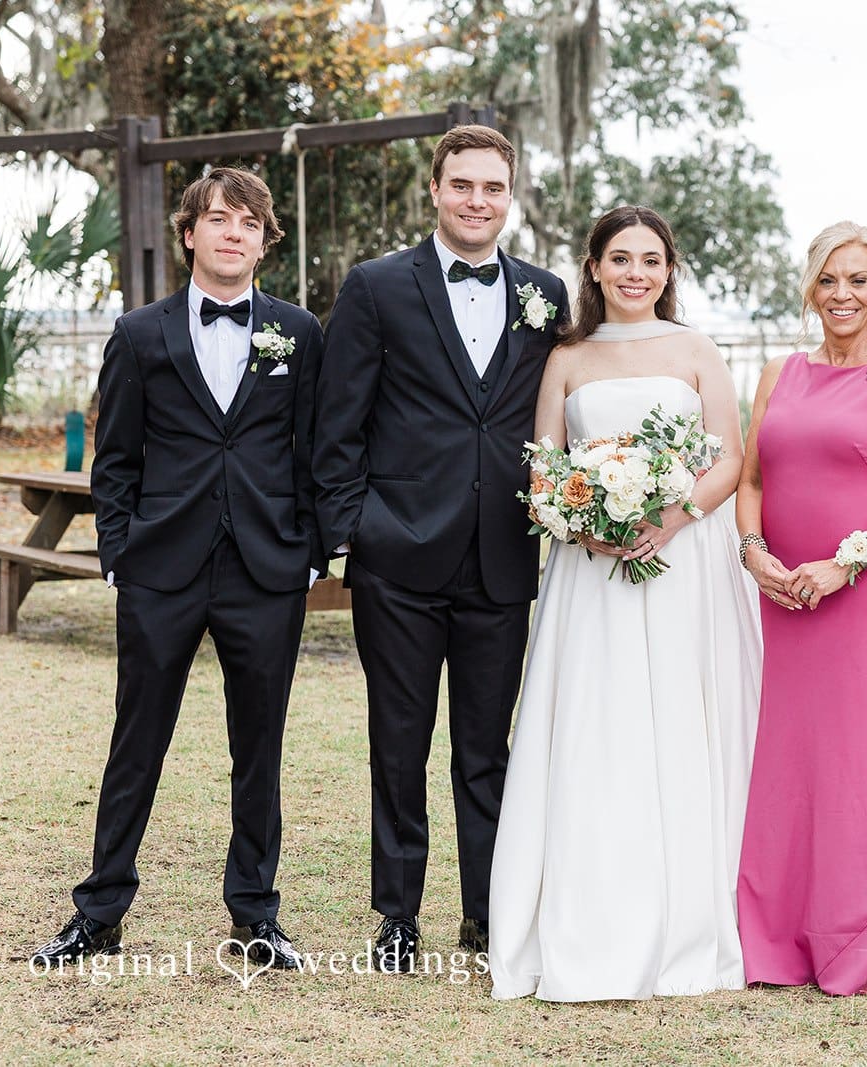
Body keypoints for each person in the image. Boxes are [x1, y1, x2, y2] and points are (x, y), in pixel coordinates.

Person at [31, 167, 324, 970]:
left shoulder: (299, 333)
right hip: (161, 568)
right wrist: (120, 554)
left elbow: (312, 453)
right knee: (137, 740)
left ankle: (256, 915)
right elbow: (115, 458)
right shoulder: (139, 334)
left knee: (259, 745)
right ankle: (99, 913)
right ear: (189, 234)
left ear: (266, 241)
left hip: (266, 570)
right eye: (218, 219)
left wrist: (306, 550)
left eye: (249, 222)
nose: (234, 233)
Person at [486, 206, 760, 1001]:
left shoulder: (698, 349)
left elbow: (730, 456)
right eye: (620, 259)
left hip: (685, 565)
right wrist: (582, 516)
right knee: (597, 724)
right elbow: (542, 468)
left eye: (651, 259)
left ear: (669, 270)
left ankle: (687, 914)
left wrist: (670, 517)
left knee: (680, 719)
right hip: (591, 574)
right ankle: (592, 909)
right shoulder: (566, 357)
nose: (636, 272)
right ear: (595, 268)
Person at [312, 124, 569, 971]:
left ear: (511, 195)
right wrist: (351, 537)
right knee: (399, 741)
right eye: (462, 184)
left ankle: (487, 913)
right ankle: (397, 915)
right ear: (434, 189)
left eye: (493, 188)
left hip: (501, 558)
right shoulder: (378, 287)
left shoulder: (546, 294)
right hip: (398, 557)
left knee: (487, 750)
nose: (477, 201)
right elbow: (338, 424)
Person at [734, 221, 867, 996]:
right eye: (830, 279)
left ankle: (860, 934)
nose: (843, 294)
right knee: (787, 762)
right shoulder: (777, 374)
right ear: (810, 288)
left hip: (864, 598)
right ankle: (776, 934)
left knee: (860, 762)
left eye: (858, 279)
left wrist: (842, 563)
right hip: (783, 595)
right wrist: (754, 553)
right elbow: (751, 479)